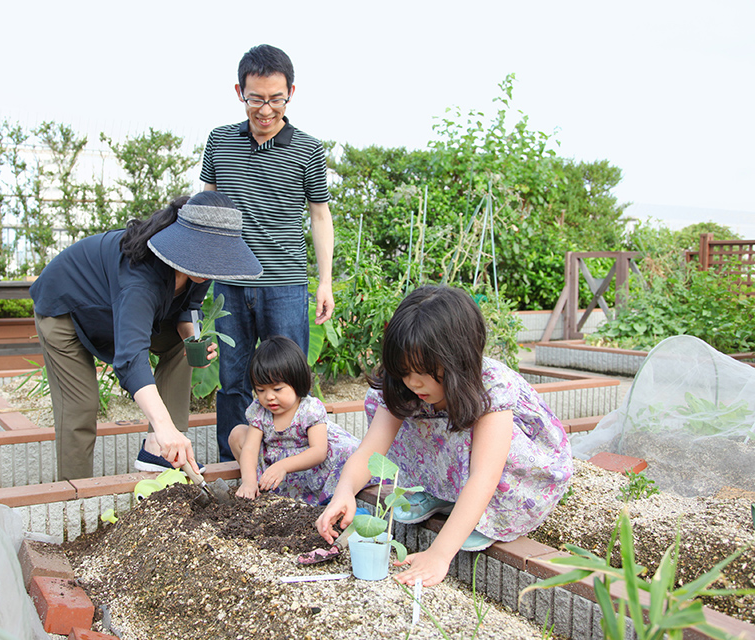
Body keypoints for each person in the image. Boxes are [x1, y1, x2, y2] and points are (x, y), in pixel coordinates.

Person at [316, 286, 573, 587]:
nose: (413, 382)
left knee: (475, 437)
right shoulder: (403, 385)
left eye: (424, 371)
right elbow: (370, 452)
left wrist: (439, 554)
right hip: (464, 467)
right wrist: (344, 492)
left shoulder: (490, 386)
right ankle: (443, 494)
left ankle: (485, 514)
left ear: (459, 359)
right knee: (401, 411)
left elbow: (484, 475)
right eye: (404, 370)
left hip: (517, 477)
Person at [30, 191, 262, 481]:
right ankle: (74, 497)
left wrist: (195, 340)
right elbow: (130, 358)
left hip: (117, 312)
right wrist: (163, 424)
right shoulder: (141, 275)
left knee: (183, 345)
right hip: (65, 308)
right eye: (206, 253)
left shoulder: (199, 269)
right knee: (81, 408)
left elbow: (188, 307)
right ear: (185, 242)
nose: (212, 263)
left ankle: (157, 449)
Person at [201, 43, 335, 462]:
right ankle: (233, 464)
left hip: (286, 284)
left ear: (291, 93)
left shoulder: (308, 148)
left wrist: (325, 282)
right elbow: (207, 205)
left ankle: (293, 465)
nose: (265, 109)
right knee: (233, 380)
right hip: (230, 282)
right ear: (239, 91)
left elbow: (320, 216)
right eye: (256, 98)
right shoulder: (219, 142)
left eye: (276, 99)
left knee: (290, 380)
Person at [229, 336, 359, 506]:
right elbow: (250, 449)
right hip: (274, 465)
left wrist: (284, 465)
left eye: (277, 389)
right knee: (237, 434)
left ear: (297, 382)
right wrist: (248, 481)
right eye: (260, 390)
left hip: (308, 468)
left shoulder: (308, 409)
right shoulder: (260, 411)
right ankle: (261, 488)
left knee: (348, 453)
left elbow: (319, 451)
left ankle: (326, 498)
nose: (269, 397)